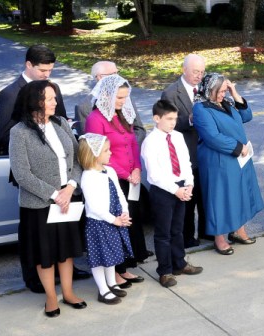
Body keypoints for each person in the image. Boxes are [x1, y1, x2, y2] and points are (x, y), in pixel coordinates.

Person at [9, 80, 86, 317]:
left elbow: (77, 161)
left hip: (67, 197)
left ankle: (68, 292)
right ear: (36, 101)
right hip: (40, 204)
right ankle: (51, 298)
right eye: (50, 98)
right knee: (45, 254)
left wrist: (70, 187)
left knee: (66, 250)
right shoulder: (19, 132)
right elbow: (22, 174)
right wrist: (55, 194)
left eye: (54, 97)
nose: (55, 102)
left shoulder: (61, 123)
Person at [84, 74, 148, 286]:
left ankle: (125, 266)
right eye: (119, 98)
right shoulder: (95, 119)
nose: (123, 102)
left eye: (125, 97)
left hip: (131, 177)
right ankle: (116, 271)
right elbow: (98, 153)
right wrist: (125, 173)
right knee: (114, 226)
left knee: (129, 222)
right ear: (107, 96)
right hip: (112, 178)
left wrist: (137, 168)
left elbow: (132, 144)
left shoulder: (121, 115)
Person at [193, 73, 263, 255]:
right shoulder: (201, 108)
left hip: (238, 158)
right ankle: (219, 237)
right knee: (220, 198)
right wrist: (238, 147)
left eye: (225, 90)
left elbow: (247, 116)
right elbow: (212, 137)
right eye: (221, 91)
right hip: (218, 161)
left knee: (239, 194)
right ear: (211, 90)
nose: (223, 94)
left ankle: (238, 230)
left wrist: (234, 91)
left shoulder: (227, 103)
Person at [142, 100, 203, 286]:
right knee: (163, 232)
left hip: (181, 186)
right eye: (169, 119)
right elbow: (154, 174)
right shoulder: (150, 142)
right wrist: (176, 190)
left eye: (175, 119)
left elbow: (185, 161)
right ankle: (165, 270)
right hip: (163, 190)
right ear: (156, 118)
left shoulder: (177, 136)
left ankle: (179, 262)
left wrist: (189, 184)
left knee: (178, 229)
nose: (173, 122)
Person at [161, 54, 211, 248]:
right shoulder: (171, 93)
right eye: (195, 72)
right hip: (186, 153)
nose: (199, 76)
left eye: (202, 72)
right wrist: (191, 119)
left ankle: (208, 232)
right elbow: (168, 124)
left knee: (206, 195)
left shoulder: (205, 88)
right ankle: (188, 238)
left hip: (206, 150)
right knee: (189, 199)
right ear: (184, 70)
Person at [78, 133, 132, 304]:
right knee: (100, 257)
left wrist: (124, 212)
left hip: (114, 218)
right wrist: (113, 219)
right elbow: (94, 206)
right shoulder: (88, 177)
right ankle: (102, 290)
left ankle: (111, 283)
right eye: (106, 151)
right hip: (99, 223)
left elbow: (119, 193)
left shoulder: (110, 171)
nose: (110, 153)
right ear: (93, 154)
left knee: (112, 254)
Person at [0, 44, 68, 155]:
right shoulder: (10, 94)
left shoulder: (54, 88)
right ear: (29, 64)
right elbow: (5, 136)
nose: (47, 75)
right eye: (42, 70)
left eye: (50, 70)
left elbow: (62, 121)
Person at [75, 61, 146, 146]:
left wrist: (130, 147)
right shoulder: (85, 107)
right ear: (100, 77)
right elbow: (90, 144)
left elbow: (139, 129)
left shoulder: (125, 97)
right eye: (112, 74)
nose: (118, 77)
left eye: (117, 73)